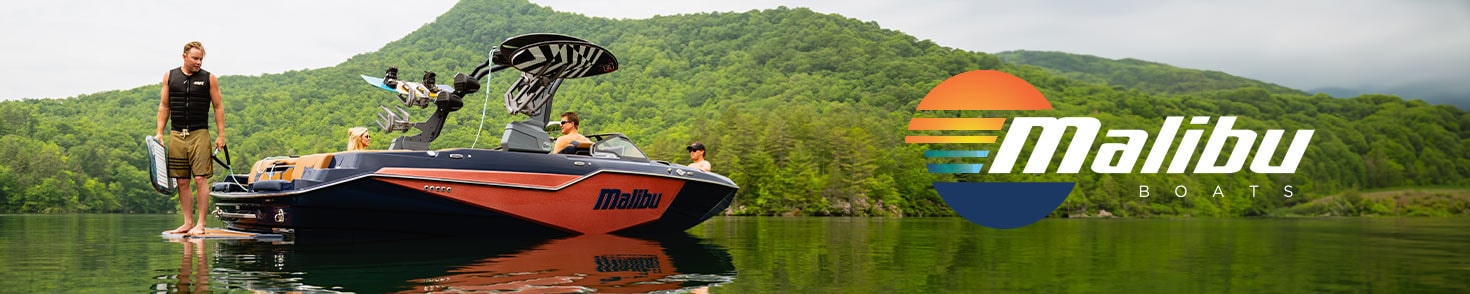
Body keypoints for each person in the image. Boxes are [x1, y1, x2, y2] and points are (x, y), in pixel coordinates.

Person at [157, 41, 226, 236]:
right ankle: (187, 223)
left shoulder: (209, 78)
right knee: (182, 181)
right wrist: (160, 132)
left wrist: (221, 135)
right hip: (177, 134)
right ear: (184, 56)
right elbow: (164, 106)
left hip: (199, 134)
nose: (198, 62)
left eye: (201, 59)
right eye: (195, 58)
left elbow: (218, 107)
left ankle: (201, 224)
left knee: (200, 178)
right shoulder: (170, 76)